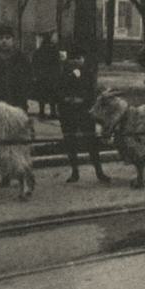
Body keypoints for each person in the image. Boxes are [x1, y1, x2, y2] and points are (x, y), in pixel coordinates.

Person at [57, 46, 111, 185]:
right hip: (68, 112)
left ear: (84, 59)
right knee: (70, 142)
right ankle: (75, 172)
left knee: (91, 142)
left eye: (79, 58)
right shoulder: (63, 74)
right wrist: (66, 99)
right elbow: (58, 91)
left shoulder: (88, 73)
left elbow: (92, 93)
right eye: (73, 59)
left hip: (84, 112)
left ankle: (99, 172)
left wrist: (83, 100)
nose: (76, 61)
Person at [0, 25, 31, 112]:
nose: (4, 41)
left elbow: (27, 80)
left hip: (17, 103)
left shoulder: (21, 58)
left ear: (13, 40)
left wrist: (23, 97)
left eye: (7, 38)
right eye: (0, 38)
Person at [30, 31, 61, 118]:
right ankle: (53, 112)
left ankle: (42, 112)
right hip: (52, 77)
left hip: (42, 77)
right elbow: (58, 65)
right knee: (52, 95)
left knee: (42, 95)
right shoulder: (54, 51)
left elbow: (34, 64)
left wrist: (35, 75)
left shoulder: (38, 51)